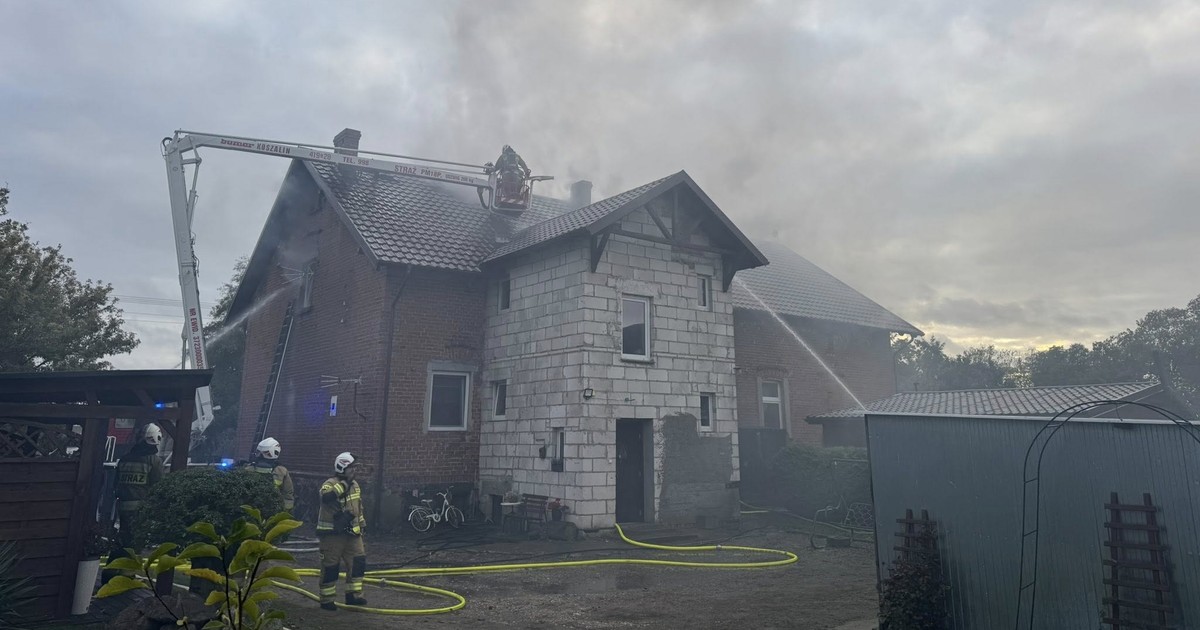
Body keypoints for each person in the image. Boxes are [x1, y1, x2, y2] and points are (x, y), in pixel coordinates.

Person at [316, 452, 367, 610]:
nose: (354, 471)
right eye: (352, 467)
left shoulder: (355, 485)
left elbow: (358, 506)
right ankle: (327, 600)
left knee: (358, 562)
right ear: (343, 467)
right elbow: (327, 498)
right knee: (331, 567)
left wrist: (362, 523)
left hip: (352, 534)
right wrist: (345, 483)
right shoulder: (329, 483)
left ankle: (353, 595)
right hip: (332, 535)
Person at [114, 423, 164, 549]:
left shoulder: (124, 459)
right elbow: (158, 486)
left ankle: (117, 564)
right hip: (140, 509)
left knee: (124, 540)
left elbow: (116, 483)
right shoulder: (154, 461)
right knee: (136, 542)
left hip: (122, 508)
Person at [250, 437, 295, 512]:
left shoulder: (249, 468)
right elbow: (288, 494)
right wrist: (285, 513)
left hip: (252, 508)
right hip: (273, 509)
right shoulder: (282, 471)